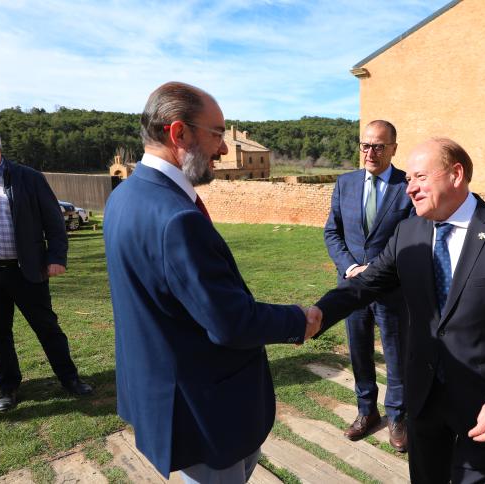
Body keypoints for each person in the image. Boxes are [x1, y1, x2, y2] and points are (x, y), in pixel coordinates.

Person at [103, 81, 321, 483]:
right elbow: (230, 322)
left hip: (161, 393)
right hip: (203, 409)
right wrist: (298, 320)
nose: (223, 149)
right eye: (218, 134)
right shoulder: (176, 218)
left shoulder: (125, 196)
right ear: (179, 132)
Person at [314, 137, 485, 483]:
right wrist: (317, 314)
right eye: (409, 179)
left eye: (419, 177)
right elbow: (365, 285)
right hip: (424, 399)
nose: (409, 188)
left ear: (456, 174)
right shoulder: (408, 232)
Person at [0, 123, 92, 412]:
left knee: (47, 328)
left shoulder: (28, 178)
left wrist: (56, 258)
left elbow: (54, 222)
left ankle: (69, 378)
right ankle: (8, 386)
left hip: (26, 270)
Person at [324, 120, 414, 452]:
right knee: (359, 352)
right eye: (365, 145)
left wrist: (374, 269)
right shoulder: (345, 183)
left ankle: (397, 417)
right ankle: (366, 412)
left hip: (392, 288)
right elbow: (332, 232)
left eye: (378, 146)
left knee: (396, 355)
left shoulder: (407, 186)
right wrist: (350, 266)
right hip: (352, 287)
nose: (370, 152)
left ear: (393, 148)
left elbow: (412, 239)